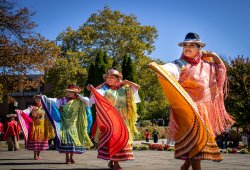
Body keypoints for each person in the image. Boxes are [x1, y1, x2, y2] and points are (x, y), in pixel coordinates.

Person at [149, 32, 235, 170]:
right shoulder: (181, 63)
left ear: (199, 48)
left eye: (191, 45)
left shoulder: (208, 66)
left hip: (203, 110)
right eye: (185, 45)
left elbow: (221, 70)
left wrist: (215, 56)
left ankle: (185, 165)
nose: (187, 48)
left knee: (196, 145)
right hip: (186, 108)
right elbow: (170, 69)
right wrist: (160, 68)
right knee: (196, 144)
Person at [89, 68, 140, 170]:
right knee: (113, 139)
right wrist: (93, 87)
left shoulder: (126, 88)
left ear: (118, 78)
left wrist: (127, 82)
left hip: (123, 119)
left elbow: (137, 87)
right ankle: (116, 164)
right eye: (108, 77)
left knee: (121, 139)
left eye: (112, 77)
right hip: (110, 120)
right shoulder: (104, 89)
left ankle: (112, 161)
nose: (109, 78)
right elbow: (94, 95)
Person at [40, 84, 93, 164]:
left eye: (70, 92)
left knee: (73, 142)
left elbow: (88, 101)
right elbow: (52, 101)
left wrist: (79, 97)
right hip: (64, 124)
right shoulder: (62, 100)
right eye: (68, 91)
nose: (68, 93)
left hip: (75, 125)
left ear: (75, 93)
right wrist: (44, 97)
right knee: (66, 141)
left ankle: (71, 158)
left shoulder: (80, 101)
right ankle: (67, 158)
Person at [16, 95, 55, 160]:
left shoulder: (45, 107)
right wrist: (19, 112)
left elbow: (49, 114)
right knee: (35, 139)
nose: (37, 100)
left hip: (42, 126)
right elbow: (25, 112)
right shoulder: (32, 107)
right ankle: (35, 155)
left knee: (41, 140)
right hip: (34, 126)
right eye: (36, 99)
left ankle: (38, 155)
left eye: (39, 99)